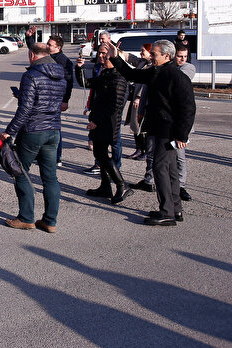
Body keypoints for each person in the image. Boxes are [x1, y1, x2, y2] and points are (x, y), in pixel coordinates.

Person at [107, 39, 196, 226]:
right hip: (158, 127)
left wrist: (182, 135)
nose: (151, 57)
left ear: (167, 56)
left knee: (160, 168)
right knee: (170, 170)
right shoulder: (157, 72)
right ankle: (175, 209)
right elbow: (133, 74)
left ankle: (167, 212)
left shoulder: (177, 77)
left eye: (154, 54)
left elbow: (188, 108)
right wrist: (116, 57)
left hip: (170, 130)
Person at [0, 42, 66, 233]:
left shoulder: (31, 75)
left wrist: (9, 131)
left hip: (33, 131)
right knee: (50, 177)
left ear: (32, 55)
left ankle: (26, 218)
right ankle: (50, 221)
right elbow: (49, 101)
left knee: (21, 171)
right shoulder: (60, 75)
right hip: (53, 130)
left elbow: (26, 109)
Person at [75, 45, 132, 204]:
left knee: (103, 156)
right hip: (99, 120)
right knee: (99, 154)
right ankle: (105, 186)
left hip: (108, 123)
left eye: (105, 56)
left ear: (115, 59)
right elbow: (86, 83)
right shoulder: (105, 74)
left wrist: (96, 121)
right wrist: (79, 68)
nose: (101, 57)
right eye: (100, 54)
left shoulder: (119, 78)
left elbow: (114, 106)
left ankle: (122, 185)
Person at [24, 26, 73, 166]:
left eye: (50, 45)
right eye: (48, 44)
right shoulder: (47, 56)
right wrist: (29, 37)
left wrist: (65, 100)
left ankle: (56, 157)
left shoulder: (64, 61)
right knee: (41, 126)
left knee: (53, 127)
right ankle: (40, 154)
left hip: (56, 98)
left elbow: (69, 82)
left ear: (58, 47)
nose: (48, 46)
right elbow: (36, 50)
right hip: (43, 96)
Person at [173, 44, 196, 201]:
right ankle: (151, 181)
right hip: (165, 121)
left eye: (184, 56)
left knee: (180, 155)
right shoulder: (169, 67)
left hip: (180, 122)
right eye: (179, 56)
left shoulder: (188, 68)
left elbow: (179, 79)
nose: (182, 59)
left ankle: (181, 186)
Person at [125, 43, 152, 161]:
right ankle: (138, 149)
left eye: (143, 51)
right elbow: (131, 58)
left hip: (142, 101)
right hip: (135, 97)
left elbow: (146, 83)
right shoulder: (142, 63)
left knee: (142, 126)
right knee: (135, 126)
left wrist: (139, 97)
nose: (141, 53)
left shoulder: (152, 66)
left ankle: (145, 151)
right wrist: (117, 51)